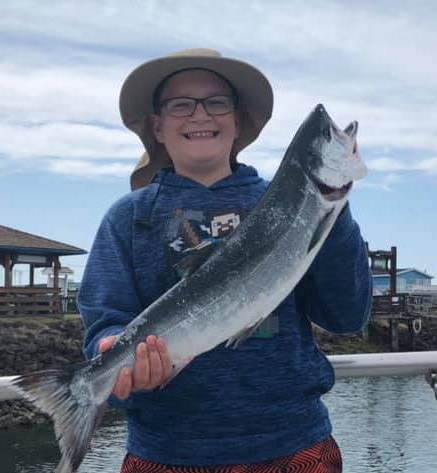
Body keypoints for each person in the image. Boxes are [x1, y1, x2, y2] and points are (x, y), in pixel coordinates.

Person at [77, 49, 372, 473]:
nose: (200, 115)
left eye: (216, 103)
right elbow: (106, 320)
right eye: (181, 104)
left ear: (238, 121)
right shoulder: (128, 218)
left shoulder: (288, 205)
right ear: (157, 126)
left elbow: (347, 317)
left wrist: (331, 211)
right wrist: (115, 355)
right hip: (168, 452)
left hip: (294, 442)